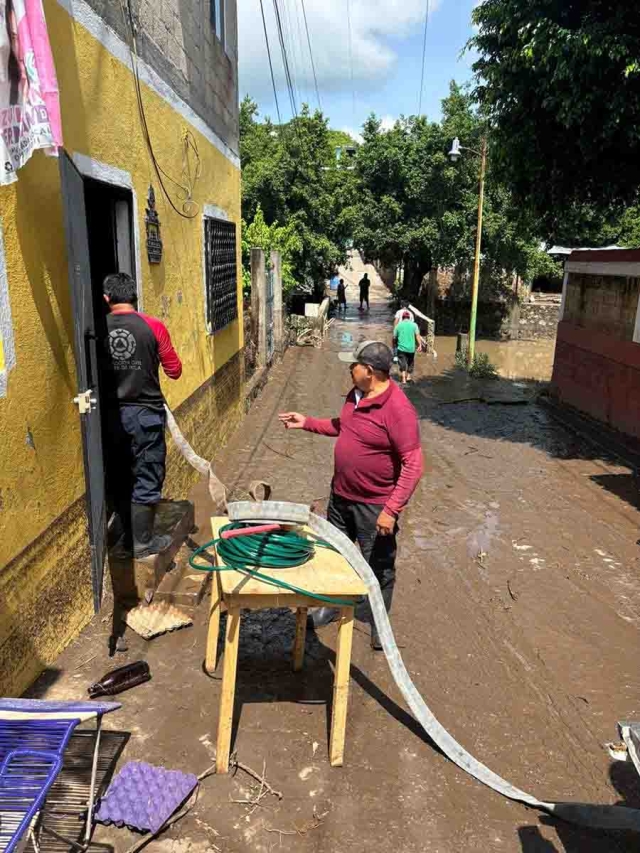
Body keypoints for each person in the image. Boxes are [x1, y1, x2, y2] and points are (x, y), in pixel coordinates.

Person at [279, 341, 423, 649]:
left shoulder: (399, 411)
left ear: (369, 372)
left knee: (378, 566)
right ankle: (331, 606)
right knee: (335, 556)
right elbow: (343, 427)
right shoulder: (355, 396)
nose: (349, 369)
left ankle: (378, 625)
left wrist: (391, 509)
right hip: (341, 497)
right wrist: (307, 423)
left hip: (375, 505)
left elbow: (413, 464)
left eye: (353, 366)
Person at [102, 272, 182, 558]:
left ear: (107, 299)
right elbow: (175, 371)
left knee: (121, 474)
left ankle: (125, 538)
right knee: (146, 475)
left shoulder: (96, 329)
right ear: (133, 296)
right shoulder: (153, 326)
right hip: (145, 415)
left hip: (110, 418)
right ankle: (143, 543)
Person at [394, 310, 422, 384]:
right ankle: (408, 377)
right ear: (409, 317)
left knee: (402, 362)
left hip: (401, 348)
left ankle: (403, 379)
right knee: (410, 362)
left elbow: (394, 338)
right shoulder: (414, 325)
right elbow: (417, 336)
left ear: (402, 318)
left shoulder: (398, 326)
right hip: (411, 349)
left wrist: (394, 345)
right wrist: (420, 345)